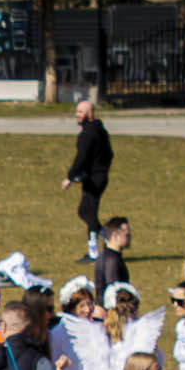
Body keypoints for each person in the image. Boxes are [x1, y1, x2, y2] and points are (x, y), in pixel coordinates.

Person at [62, 97, 113, 257]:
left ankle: (99, 246)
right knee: (87, 211)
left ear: (89, 113)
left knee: (87, 212)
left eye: (81, 112)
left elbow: (81, 157)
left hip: (94, 179)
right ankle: (103, 240)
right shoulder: (100, 130)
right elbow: (110, 154)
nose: (77, 115)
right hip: (98, 177)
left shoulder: (88, 134)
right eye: (76, 111)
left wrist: (70, 177)